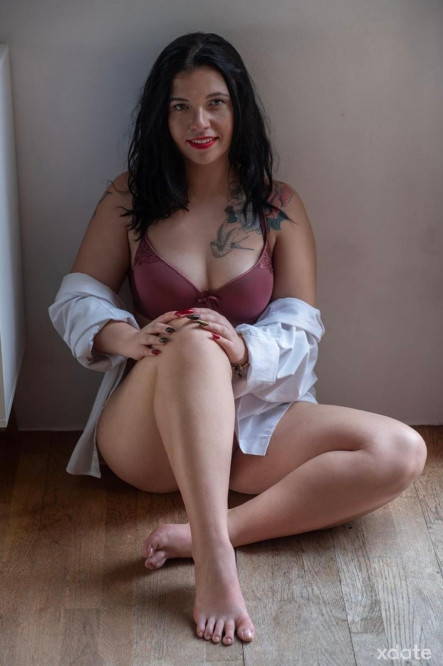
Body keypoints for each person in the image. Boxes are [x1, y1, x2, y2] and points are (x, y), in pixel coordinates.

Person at [49, 32, 427, 647]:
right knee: (195, 336)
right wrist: (127, 338)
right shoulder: (129, 198)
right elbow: (77, 296)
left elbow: (301, 326)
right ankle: (216, 563)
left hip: (246, 422)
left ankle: (211, 533)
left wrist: (246, 348)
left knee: (401, 450)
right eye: (181, 106)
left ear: (239, 108)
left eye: (215, 103)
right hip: (148, 437)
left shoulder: (279, 206)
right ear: (161, 115)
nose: (199, 123)